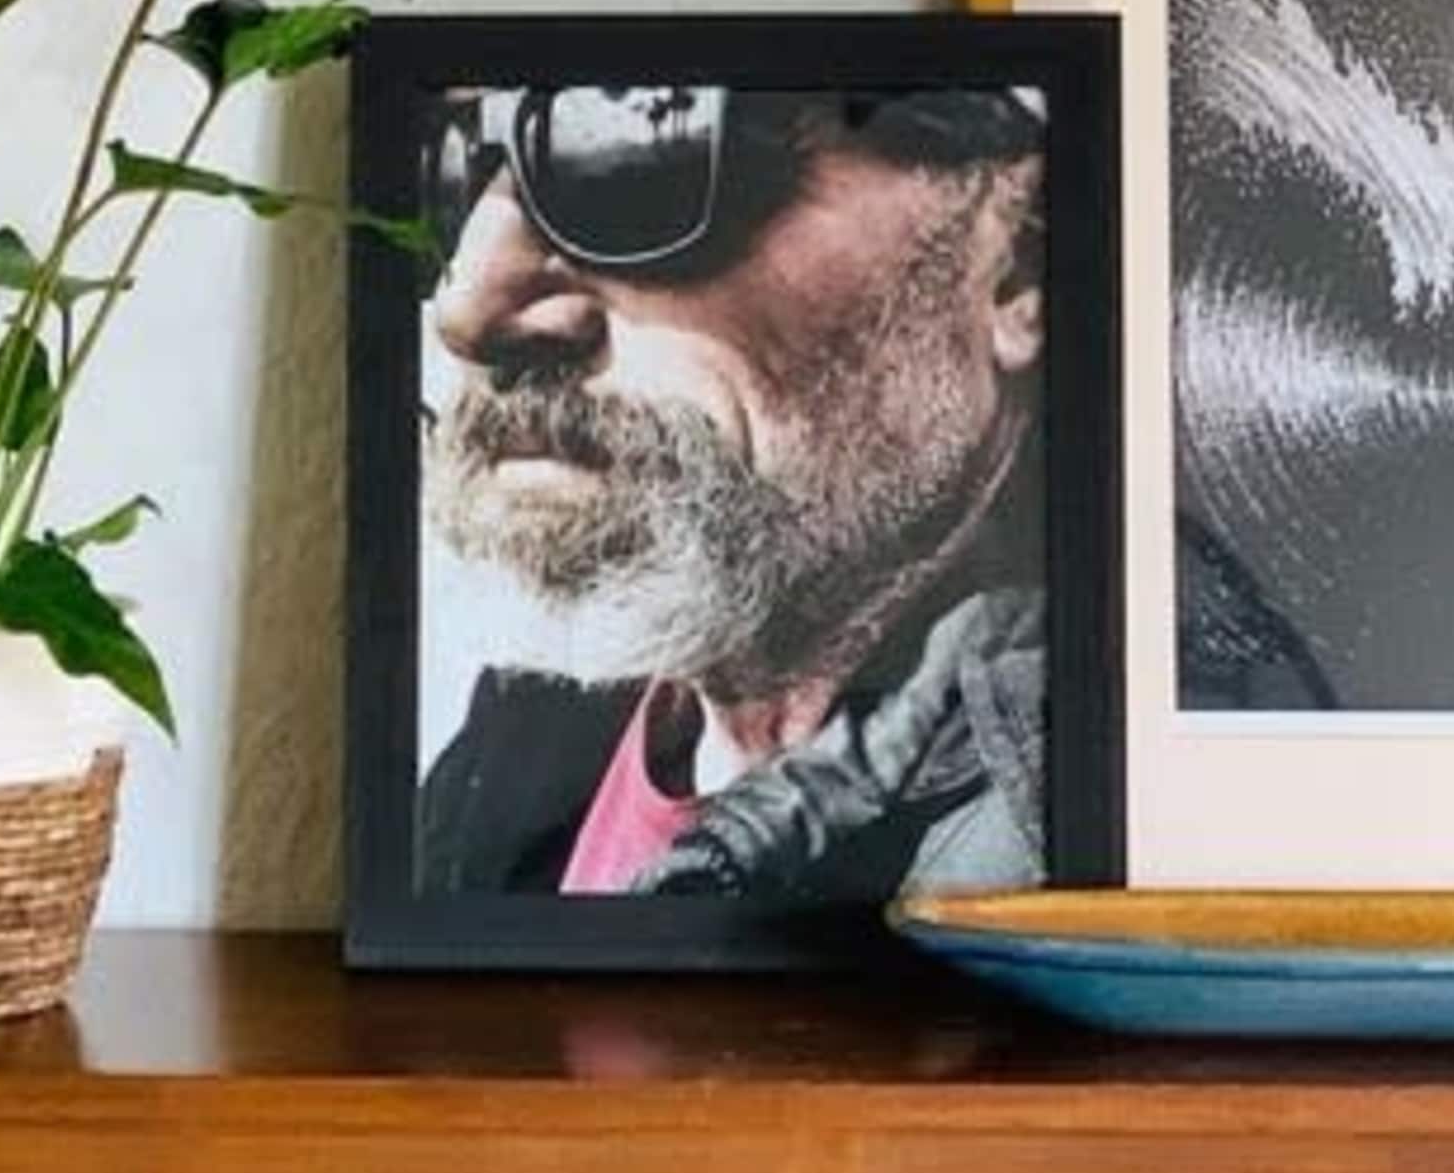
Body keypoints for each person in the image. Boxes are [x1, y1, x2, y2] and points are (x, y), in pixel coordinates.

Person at [412, 79, 1053, 910]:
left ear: (1012, 266)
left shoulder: (1060, 819)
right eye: (455, 169)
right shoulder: (522, 737)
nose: (468, 305)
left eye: (629, 148)